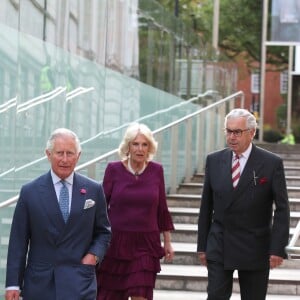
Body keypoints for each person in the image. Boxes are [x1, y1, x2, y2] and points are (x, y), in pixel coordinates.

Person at [5, 128, 111, 300]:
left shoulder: (93, 190)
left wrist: (93, 256)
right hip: (40, 284)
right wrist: (13, 283)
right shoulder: (30, 192)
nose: (64, 159)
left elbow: (103, 232)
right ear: (48, 154)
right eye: (59, 153)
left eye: (70, 153)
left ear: (78, 155)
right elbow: (18, 242)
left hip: (79, 281)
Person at [197, 108, 290, 300]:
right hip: (220, 243)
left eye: (237, 132)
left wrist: (277, 248)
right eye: (228, 131)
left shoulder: (271, 163)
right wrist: (202, 245)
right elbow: (206, 206)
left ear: (252, 132)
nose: (231, 137)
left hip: (255, 245)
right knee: (215, 296)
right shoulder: (214, 160)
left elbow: (282, 209)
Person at [96, 122, 175, 300]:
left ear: (150, 148)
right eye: (135, 144)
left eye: (144, 144)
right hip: (115, 243)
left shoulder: (157, 170)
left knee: (141, 293)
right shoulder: (113, 170)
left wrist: (167, 242)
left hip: (146, 244)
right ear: (128, 147)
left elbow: (161, 207)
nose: (140, 149)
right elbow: (101, 208)